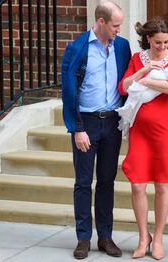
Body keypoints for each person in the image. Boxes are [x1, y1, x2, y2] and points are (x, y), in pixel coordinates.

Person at [61, 1, 131, 259]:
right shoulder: (78, 48)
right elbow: (68, 91)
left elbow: (127, 82)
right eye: (115, 25)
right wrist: (77, 128)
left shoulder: (122, 46)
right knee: (83, 182)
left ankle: (105, 236)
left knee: (106, 182)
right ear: (100, 22)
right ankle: (83, 238)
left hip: (111, 122)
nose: (118, 30)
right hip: (86, 123)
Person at [118, 17, 168, 260]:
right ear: (148, 39)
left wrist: (145, 81)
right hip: (140, 132)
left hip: (165, 133)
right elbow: (123, 88)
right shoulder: (138, 59)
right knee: (137, 184)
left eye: (166, 42)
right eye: (158, 42)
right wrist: (146, 71)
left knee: (161, 184)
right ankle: (142, 237)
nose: (162, 47)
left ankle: (158, 239)